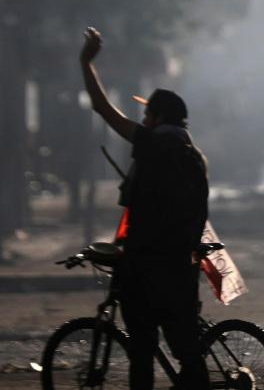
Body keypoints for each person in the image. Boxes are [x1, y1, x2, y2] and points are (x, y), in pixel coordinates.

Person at [79, 27, 210, 390]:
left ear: (156, 118)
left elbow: (103, 108)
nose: (145, 120)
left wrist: (86, 63)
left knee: (142, 352)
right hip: (181, 268)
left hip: (145, 267)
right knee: (186, 350)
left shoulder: (152, 145)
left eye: (147, 114)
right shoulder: (195, 157)